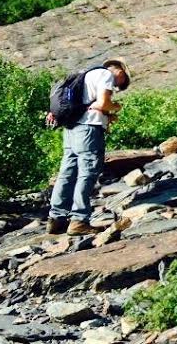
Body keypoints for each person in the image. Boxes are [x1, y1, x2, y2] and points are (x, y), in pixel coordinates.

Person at [47, 59, 131, 236]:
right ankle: (79, 220)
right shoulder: (106, 75)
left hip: (71, 129)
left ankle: (56, 218)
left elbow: (89, 104)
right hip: (88, 129)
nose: (117, 88)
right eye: (119, 85)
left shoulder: (84, 75)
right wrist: (116, 106)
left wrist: (106, 115)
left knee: (67, 172)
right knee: (88, 172)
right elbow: (102, 103)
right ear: (121, 73)